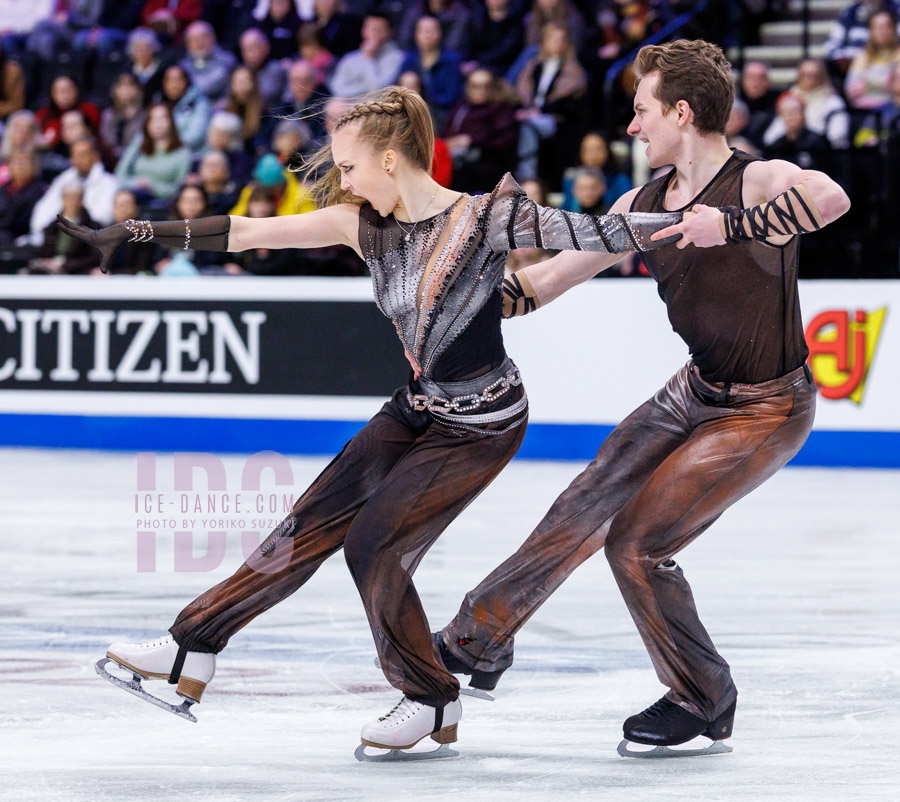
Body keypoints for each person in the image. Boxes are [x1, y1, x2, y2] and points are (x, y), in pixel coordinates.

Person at [58, 85, 681, 761]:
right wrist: (138, 232)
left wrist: (724, 222)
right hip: (418, 404)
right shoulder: (361, 225)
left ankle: (432, 698)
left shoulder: (485, 218)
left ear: (389, 159)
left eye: (349, 167)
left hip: (483, 424)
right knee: (304, 525)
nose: (344, 181)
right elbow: (245, 232)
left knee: (373, 547)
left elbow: (601, 235)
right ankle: (193, 644)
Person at [434, 39, 850, 758]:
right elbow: (552, 278)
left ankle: (703, 696)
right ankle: (479, 637)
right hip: (694, 390)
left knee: (637, 545)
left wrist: (732, 226)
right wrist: (468, 302)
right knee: (585, 499)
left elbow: (832, 199)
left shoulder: (755, 180)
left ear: (681, 113)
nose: (632, 126)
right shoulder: (641, 204)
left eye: (642, 111)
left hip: (767, 405)